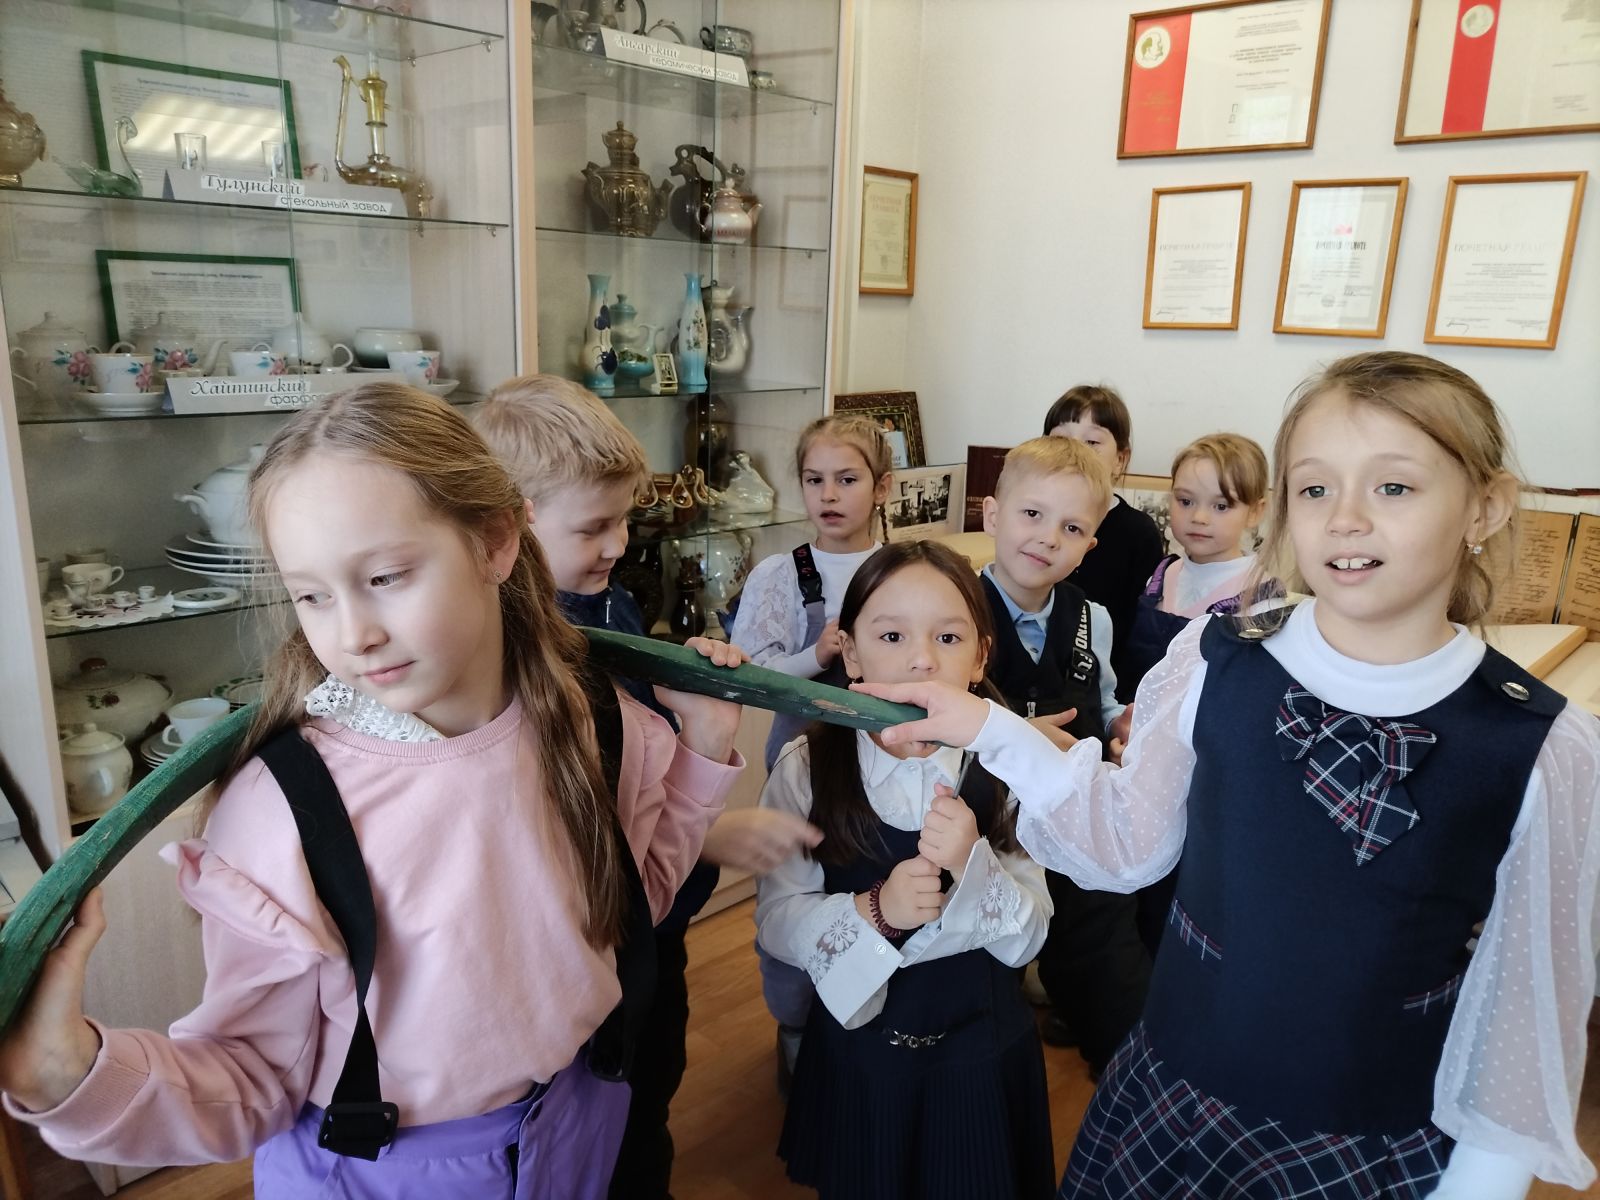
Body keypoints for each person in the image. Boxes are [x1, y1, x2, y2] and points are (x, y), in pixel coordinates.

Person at [857, 352, 1600, 1197]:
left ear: (1486, 506)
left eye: (1393, 487)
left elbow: (1523, 1017)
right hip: (1174, 1107)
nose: (1345, 520)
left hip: (1368, 1148)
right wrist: (987, 726)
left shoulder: (1545, 747)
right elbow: (1126, 843)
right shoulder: (1214, 661)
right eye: (1314, 488)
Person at [0, 384, 747, 1198]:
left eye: (385, 576)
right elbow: (250, 1078)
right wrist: (66, 1071)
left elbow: (627, 911)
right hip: (384, 1173)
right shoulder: (287, 809)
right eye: (312, 595)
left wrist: (705, 746)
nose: (353, 634)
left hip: (574, 1134)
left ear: (496, 541)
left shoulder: (598, 720)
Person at [471, 374, 820, 1197]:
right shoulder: (512, 661)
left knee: (650, 1093)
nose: (618, 543)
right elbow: (574, 820)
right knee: (602, 1130)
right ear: (509, 524)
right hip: (591, 951)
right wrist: (710, 830)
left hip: (653, 930)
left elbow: (647, 741)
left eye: (624, 519)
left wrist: (689, 692)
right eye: (593, 526)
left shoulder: (609, 604)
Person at [756, 540, 1056, 1199]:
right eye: (892, 636)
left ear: (980, 657)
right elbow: (776, 919)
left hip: (981, 1056)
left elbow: (1031, 934)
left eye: (948, 637)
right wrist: (876, 911)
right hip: (860, 1057)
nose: (923, 659)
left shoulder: (1008, 767)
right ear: (851, 653)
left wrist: (973, 863)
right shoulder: (807, 768)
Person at [730, 413, 893, 1088]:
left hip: (885, 764)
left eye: (847, 479)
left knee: (873, 888)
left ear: (882, 487)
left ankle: (868, 1018)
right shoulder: (779, 574)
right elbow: (754, 675)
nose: (829, 494)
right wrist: (815, 654)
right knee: (796, 887)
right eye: (814, 479)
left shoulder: (901, 569)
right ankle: (794, 1022)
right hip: (799, 764)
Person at [978, 436, 1144, 1077]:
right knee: (986, 964)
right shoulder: (955, 609)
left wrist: (1122, 724)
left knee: (1105, 947)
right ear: (993, 515)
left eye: (1071, 528)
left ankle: (1124, 1073)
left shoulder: (1092, 618)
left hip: (1076, 817)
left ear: (1089, 546)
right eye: (1032, 514)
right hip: (985, 827)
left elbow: (1102, 700)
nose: (1048, 538)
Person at [1043, 385, 1165, 701]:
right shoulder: (1038, 521)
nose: (1076, 453)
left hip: (1107, 689)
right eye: (1061, 439)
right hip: (1041, 681)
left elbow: (1139, 631)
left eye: (1092, 442)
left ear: (1120, 460)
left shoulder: (1138, 532)